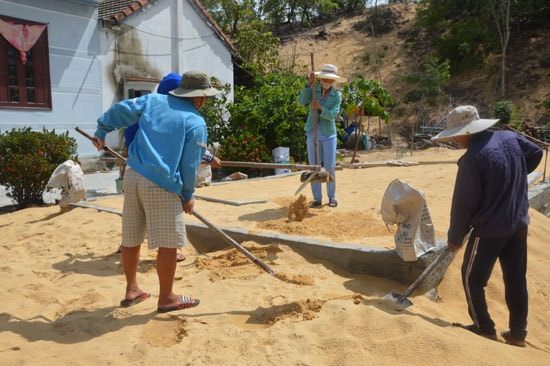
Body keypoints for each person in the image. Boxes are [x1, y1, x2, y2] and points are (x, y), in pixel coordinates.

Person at [93, 70, 221, 313]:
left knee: (131, 238)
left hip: (132, 176)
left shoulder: (153, 101)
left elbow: (121, 110)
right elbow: (189, 163)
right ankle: (167, 298)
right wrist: (187, 194)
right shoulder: (195, 121)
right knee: (168, 243)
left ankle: (132, 290)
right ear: (200, 97)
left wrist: (101, 130)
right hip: (161, 184)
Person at [431, 105, 543, 347]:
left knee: (472, 279)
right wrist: (513, 178)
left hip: (490, 231)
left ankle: (485, 328)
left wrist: (455, 237)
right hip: (518, 223)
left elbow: (464, 204)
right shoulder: (510, 137)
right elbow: (535, 153)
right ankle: (517, 335)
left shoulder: (472, 159)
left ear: (467, 132)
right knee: (516, 279)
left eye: (456, 135)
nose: (455, 140)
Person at [117, 72, 221, 260]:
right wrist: (188, 193)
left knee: (136, 216)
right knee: (161, 217)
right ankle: (165, 253)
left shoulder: (153, 109)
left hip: (136, 167)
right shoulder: (170, 114)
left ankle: (128, 247)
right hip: (154, 172)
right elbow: (181, 148)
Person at [298, 64, 346, 208]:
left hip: (329, 134)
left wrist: (320, 108)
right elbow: (301, 101)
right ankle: (317, 198)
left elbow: (333, 115)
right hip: (313, 132)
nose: (327, 82)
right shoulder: (313, 90)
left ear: (334, 82)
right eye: (325, 79)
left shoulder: (337, 95)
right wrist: (309, 83)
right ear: (321, 79)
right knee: (314, 167)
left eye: (330, 80)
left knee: (329, 166)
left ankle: (332, 197)